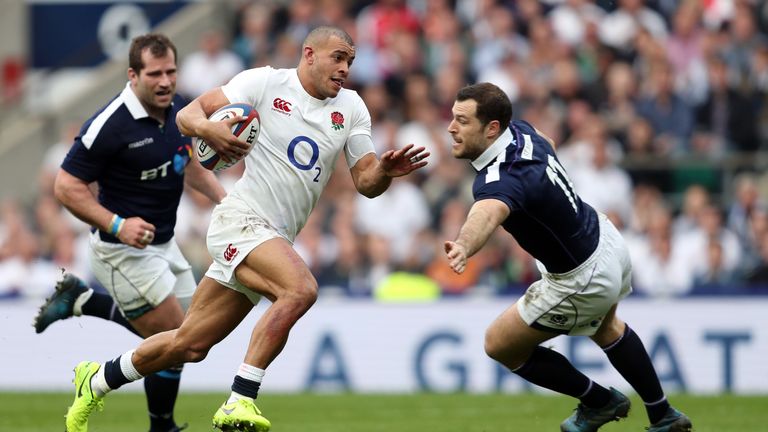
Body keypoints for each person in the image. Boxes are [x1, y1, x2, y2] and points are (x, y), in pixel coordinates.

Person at [64, 26, 428, 432]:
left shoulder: (353, 108)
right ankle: (240, 398)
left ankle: (95, 380)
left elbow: (365, 182)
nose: (345, 68)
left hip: (273, 237)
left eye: (350, 61)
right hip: (241, 219)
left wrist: (385, 171)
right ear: (309, 54)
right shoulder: (266, 82)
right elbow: (187, 116)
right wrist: (210, 130)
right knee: (300, 288)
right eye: (338, 57)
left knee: (189, 344)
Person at [443, 82, 692, 432]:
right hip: (604, 238)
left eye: (462, 120)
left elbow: (487, 212)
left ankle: (599, 402)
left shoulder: (500, 178)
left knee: (499, 344)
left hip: (581, 276)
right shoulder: (521, 131)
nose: (451, 128)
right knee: (607, 328)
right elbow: (550, 144)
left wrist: (463, 245)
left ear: (491, 128)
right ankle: (662, 413)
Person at [39, 33, 226, 432]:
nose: (165, 81)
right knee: (181, 340)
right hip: (120, 252)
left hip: (165, 243)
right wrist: (117, 224)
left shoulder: (178, 109)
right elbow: (65, 187)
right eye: (154, 73)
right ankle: (154, 421)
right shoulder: (109, 125)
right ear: (132, 75)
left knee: (184, 342)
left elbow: (187, 163)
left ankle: (85, 301)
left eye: (171, 71)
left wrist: (224, 201)